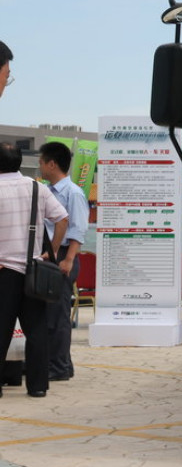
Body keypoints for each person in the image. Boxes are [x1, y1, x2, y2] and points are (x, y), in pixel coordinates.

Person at [0, 143, 68, 398]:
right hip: (33, 269)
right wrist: (52, 251)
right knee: (37, 329)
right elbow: (62, 219)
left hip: (4, 270)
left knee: (1, 329)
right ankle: (38, 386)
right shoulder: (37, 188)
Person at [39, 142, 89, 381]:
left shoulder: (73, 193)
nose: (39, 166)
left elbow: (78, 230)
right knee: (50, 313)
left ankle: (58, 367)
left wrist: (68, 259)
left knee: (58, 314)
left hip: (64, 256)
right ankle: (62, 364)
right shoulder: (47, 191)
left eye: (41, 162)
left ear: (52, 164)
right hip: (51, 255)